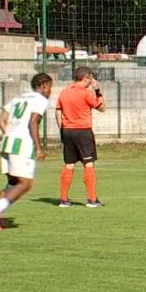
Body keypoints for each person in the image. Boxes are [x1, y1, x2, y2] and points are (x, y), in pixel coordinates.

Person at [0, 73, 54, 231]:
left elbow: (1, 119)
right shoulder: (40, 100)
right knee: (25, 184)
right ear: (43, 86)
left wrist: (10, 134)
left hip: (7, 143)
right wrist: (38, 147)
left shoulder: (18, 98)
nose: (50, 91)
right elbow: (33, 122)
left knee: (12, 184)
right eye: (50, 87)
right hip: (21, 145)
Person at [56, 66, 106, 207]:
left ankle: (64, 200)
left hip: (67, 131)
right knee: (88, 163)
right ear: (86, 78)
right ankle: (92, 199)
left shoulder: (64, 92)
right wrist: (98, 91)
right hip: (83, 131)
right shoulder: (86, 93)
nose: (91, 81)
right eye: (91, 78)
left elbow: (58, 112)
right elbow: (101, 107)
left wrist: (62, 129)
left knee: (69, 164)